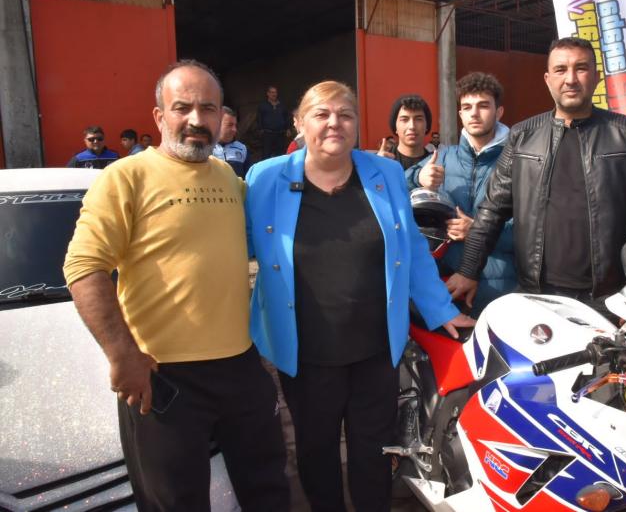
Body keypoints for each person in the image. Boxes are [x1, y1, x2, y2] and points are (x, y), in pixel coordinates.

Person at [63, 59, 290, 511]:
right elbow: (84, 266)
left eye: (208, 108)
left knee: (269, 491)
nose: (196, 120)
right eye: (182, 107)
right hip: (162, 375)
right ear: (158, 116)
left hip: (241, 367)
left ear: (221, 116)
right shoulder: (125, 177)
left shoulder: (230, 180)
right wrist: (123, 356)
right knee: (175, 502)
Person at [245, 80, 474, 512]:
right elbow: (236, 245)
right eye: (321, 114)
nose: (334, 123)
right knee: (316, 452)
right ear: (299, 123)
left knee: (374, 453)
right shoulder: (265, 178)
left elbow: (411, 249)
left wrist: (441, 310)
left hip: (375, 350)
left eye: (345, 115)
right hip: (305, 354)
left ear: (357, 124)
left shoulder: (384, 173)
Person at [446, 37, 626, 309]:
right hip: (537, 295)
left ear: (597, 77)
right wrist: (468, 270)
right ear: (548, 79)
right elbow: (492, 211)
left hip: (610, 298)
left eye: (581, 68)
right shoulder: (522, 136)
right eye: (561, 70)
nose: (570, 79)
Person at [406, 72, 516, 317]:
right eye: (467, 107)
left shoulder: (519, 161)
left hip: (498, 292)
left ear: (499, 112)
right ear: (460, 114)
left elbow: (530, 236)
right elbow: (394, 187)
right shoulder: (443, 156)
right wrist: (419, 178)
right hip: (444, 290)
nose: (474, 114)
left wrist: (477, 230)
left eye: (483, 106)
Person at [377, 94, 433, 170]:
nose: (412, 126)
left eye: (418, 119)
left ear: (427, 126)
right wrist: (376, 169)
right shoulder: (381, 161)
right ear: (395, 126)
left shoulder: (436, 163)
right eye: (404, 119)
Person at [212, 106, 251, 178]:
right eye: (230, 125)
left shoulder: (242, 149)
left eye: (235, 125)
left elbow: (248, 179)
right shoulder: (203, 149)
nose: (234, 129)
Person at [257, 85, 289, 159]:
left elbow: (286, 117)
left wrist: (288, 128)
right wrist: (260, 129)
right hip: (267, 134)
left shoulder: (282, 105)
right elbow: (259, 118)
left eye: (275, 92)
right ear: (268, 94)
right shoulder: (263, 105)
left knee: (280, 154)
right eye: (272, 92)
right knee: (266, 154)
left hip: (280, 134)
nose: (274, 94)